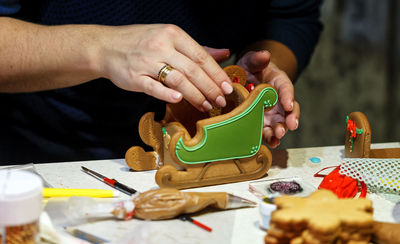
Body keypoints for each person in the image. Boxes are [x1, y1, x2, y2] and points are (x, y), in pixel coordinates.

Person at [0, 0, 322, 165]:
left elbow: (290, 15)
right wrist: (100, 49)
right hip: (37, 149)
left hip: (199, 149)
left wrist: (266, 67)